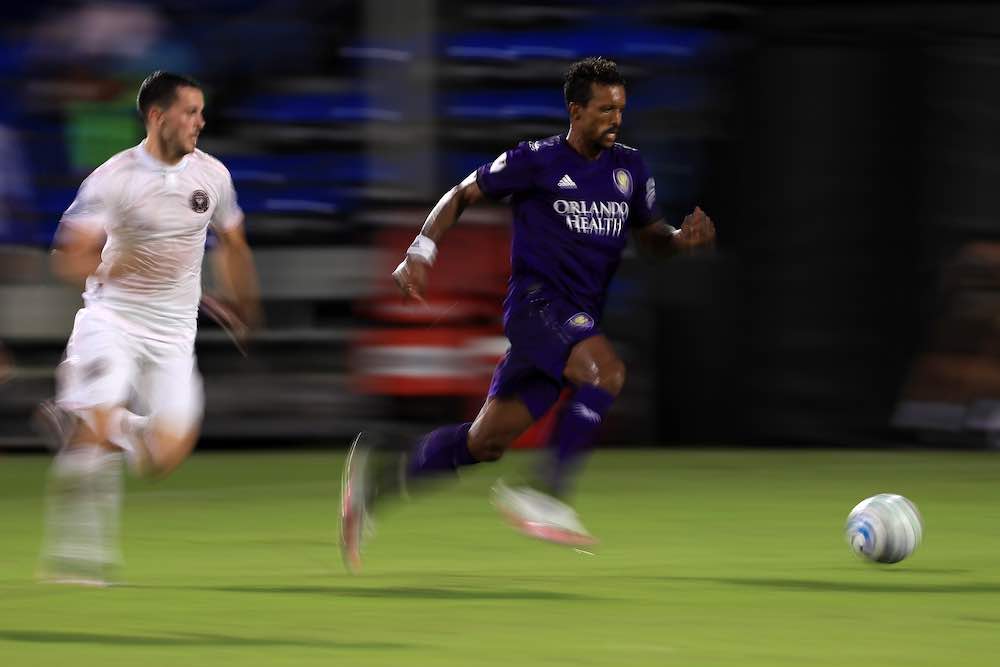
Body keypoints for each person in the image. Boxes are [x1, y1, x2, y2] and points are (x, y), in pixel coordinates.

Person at [340, 57, 715, 572]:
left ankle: (374, 488)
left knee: (484, 442)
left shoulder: (630, 169)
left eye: (620, 110)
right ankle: (546, 494)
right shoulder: (535, 160)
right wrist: (421, 250)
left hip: (574, 320)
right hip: (538, 306)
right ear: (575, 110)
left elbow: (651, 240)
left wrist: (678, 241)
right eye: (604, 110)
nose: (615, 119)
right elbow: (461, 193)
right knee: (607, 372)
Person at [36, 71, 260, 585]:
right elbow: (66, 260)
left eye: (202, 112)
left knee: (164, 455)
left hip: (174, 335)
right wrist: (111, 267)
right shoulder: (113, 179)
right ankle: (78, 563)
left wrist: (242, 304)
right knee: (96, 428)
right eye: (190, 112)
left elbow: (234, 244)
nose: (200, 122)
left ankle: (85, 419)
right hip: (111, 320)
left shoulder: (213, 177)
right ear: (158, 116)